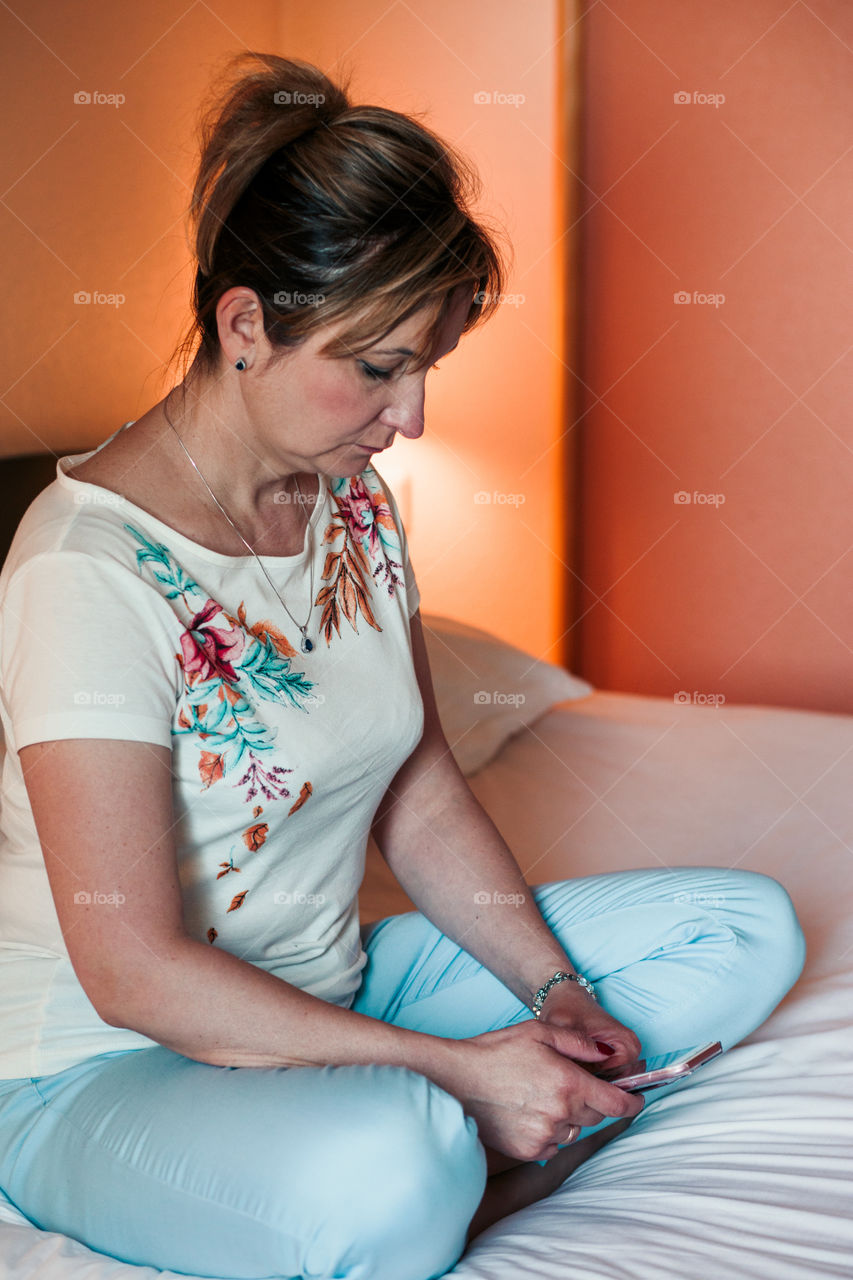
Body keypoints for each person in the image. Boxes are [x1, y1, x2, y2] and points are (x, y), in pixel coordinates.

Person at [0, 52, 805, 1280]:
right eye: (379, 369)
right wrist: (459, 1067)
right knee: (398, 1162)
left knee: (740, 930)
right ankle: (467, 1138)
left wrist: (550, 996)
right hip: (104, 1063)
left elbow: (420, 784)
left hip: (336, 984)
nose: (412, 414)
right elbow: (132, 969)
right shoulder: (84, 569)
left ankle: (476, 1121)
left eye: (424, 365)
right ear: (245, 325)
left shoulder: (353, 499)